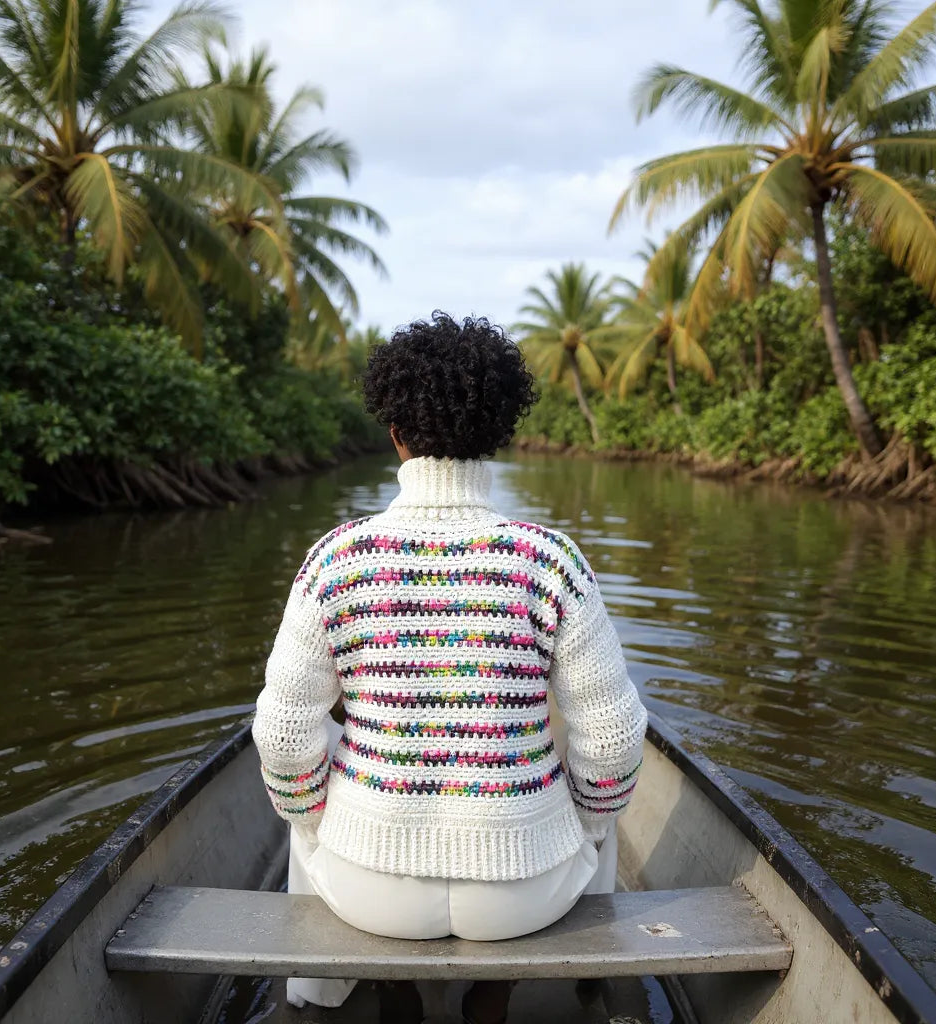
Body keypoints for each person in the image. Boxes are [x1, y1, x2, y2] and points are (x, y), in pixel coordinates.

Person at [252, 312, 648, 1024]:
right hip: (524, 893)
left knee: (311, 781)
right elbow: (615, 740)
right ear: (499, 430)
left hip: (371, 890)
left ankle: (391, 993)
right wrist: (583, 826)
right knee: (597, 781)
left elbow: (282, 737)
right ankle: (495, 1001)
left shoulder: (337, 559)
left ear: (394, 431)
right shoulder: (550, 559)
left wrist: (314, 822)